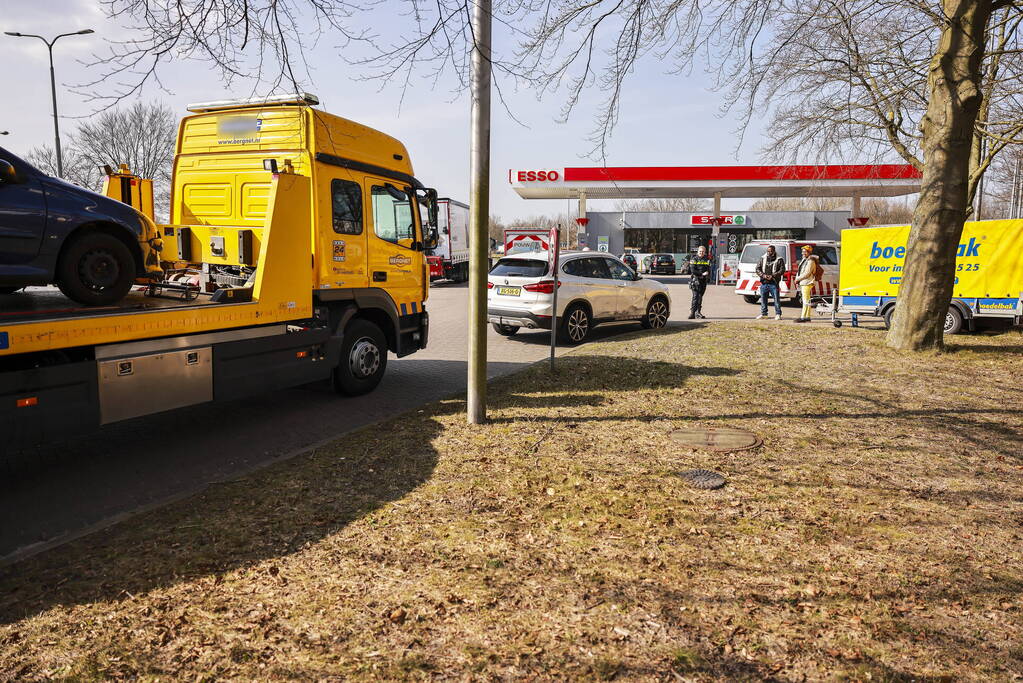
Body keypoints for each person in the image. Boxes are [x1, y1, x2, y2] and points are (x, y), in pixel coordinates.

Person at [754, 244, 785, 320]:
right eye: (768, 251)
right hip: (764, 282)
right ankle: (764, 314)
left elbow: (782, 270)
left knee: (776, 299)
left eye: (770, 251)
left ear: (774, 251)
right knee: (763, 299)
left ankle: (778, 314)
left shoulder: (779, 259)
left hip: (773, 283)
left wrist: (773, 275)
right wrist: (763, 275)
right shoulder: (763, 258)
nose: (769, 252)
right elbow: (757, 268)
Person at [794, 245, 822, 323]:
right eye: (802, 251)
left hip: (807, 282)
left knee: (805, 300)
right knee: (807, 300)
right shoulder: (804, 260)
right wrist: (797, 279)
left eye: (805, 251)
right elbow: (800, 271)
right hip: (803, 282)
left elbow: (807, 273)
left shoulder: (810, 261)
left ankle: (803, 317)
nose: (803, 253)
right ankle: (807, 317)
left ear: (809, 252)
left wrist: (797, 279)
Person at [688, 245, 712, 319]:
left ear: (705, 252)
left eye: (703, 251)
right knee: (695, 296)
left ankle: (698, 312)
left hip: (703, 281)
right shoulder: (694, 259)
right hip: (695, 280)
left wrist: (708, 275)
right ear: (698, 251)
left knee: (700, 297)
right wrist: (702, 274)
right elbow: (692, 270)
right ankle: (692, 313)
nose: (701, 253)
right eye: (700, 251)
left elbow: (709, 269)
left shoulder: (707, 259)